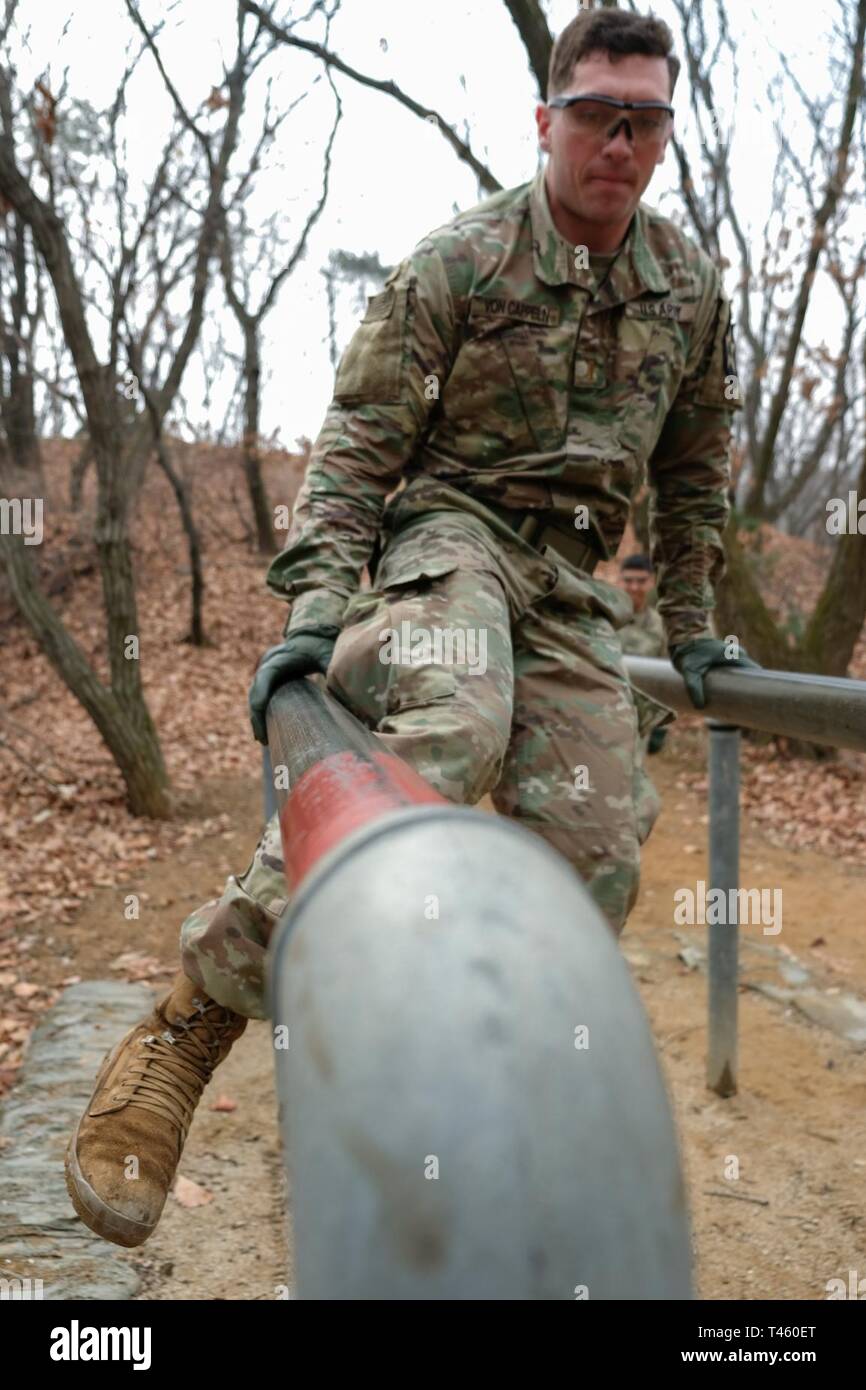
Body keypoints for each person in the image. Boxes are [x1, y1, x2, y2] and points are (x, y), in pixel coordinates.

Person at [65, 6, 758, 1249]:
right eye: (596, 113)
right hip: (448, 537)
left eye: (643, 118)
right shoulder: (459, 265)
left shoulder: (687, 290)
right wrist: (315, 607)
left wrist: (696, 627)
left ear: (662, 134)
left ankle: (481, 1080)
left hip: (571, 586)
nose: (619, 138)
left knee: (598, 842)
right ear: (545, 121)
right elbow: (357, 452)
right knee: (454, 725)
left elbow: (697, 473)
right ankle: (185, 1031)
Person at [618, 551, 670, 754]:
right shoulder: (602, 620)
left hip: (639, 719)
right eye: (628, 581)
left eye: (641, 581)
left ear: (651, 583)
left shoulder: (661, 626)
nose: (634, 587)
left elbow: (667, 679)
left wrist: (661, 726)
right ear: (619, 581)